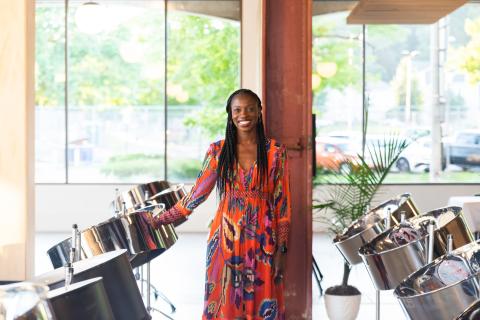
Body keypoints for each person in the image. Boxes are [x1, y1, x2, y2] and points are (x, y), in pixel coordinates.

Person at [151, 89, 291, 319]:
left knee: (264, 304)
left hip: (264, 243)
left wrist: (282, 249)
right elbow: (196, 195)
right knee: (225, 305)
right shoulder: (218, 151)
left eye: (250, 109)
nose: (243, 114)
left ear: (259, 112)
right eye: (237, 110)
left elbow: (283, 205)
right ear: (230, 114)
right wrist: (161, 220)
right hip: (225, 243)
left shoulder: (276, 152)